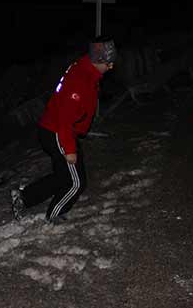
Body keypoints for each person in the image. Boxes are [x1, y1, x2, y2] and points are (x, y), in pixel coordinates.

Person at [11, 36, 117, 223]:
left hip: (56, 129)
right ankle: (54, 215)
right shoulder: (80, 79)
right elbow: (64, 119)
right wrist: (69, 150)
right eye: (108, 63)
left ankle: (23, 197)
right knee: (76, 183)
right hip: (58, 132)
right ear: (98, 60)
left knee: (64, 176)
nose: (111, 67)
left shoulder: (88, 72)